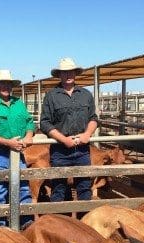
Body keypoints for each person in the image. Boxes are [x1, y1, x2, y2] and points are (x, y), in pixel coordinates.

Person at [0, 69, 35, 227]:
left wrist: (29, 135)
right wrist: (7, 142)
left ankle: (27, 225)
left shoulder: (19, 103)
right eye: (1, 84)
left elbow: (29, 121)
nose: (5, 87)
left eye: (8, 84)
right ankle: (0, 227)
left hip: (18, 152)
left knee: (23, 189)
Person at [40, 57, 98, 202]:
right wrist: (64, 140)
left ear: (75, 73)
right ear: (59, 75)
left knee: (84, 187)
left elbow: (94, 118)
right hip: (60, 150)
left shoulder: (85, 94)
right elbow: (45, 123)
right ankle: (59, 221)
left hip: (82, 148)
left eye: (71, 72)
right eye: (64, 72)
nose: (68, 75)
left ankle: (82, 222)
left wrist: (87, 134)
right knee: (59, 188)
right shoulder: (51, 96)